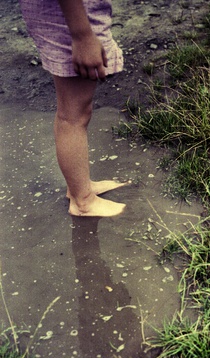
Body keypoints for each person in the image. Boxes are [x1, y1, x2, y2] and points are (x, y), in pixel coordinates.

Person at [19, 0, 128, 217]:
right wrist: (82, 36)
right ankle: (83, 202)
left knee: (76, 112)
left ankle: (79, 187)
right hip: (71, 19)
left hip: (71, 16)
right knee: (73, 116)